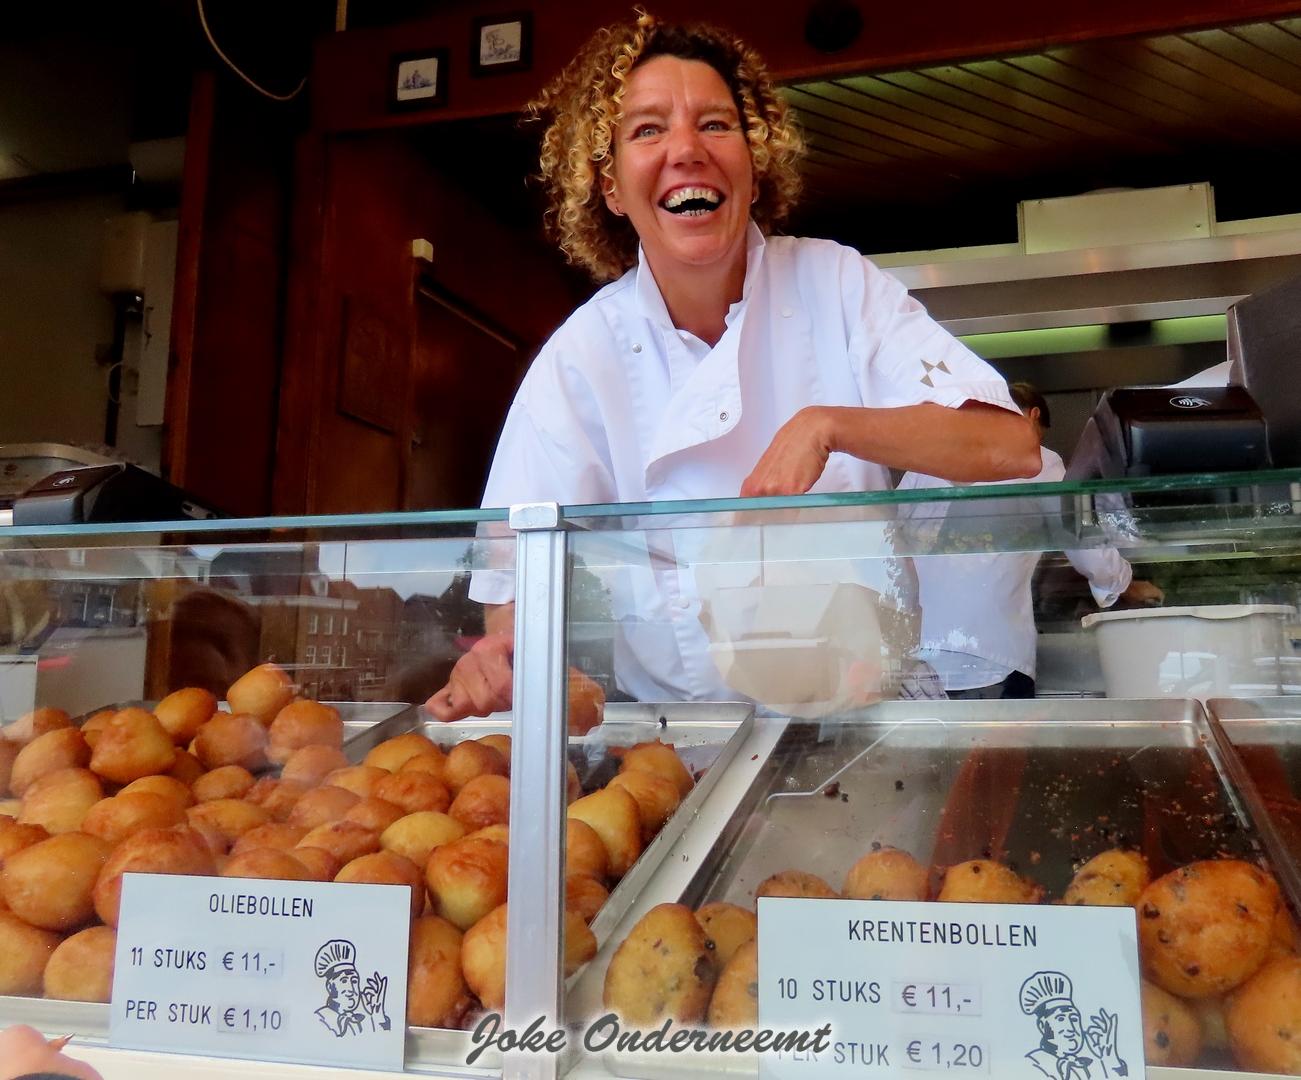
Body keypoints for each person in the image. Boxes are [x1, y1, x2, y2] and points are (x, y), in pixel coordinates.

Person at [427, 11, 1040, 720]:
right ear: (610, 188)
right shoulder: (582, 355)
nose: (686, 149)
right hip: (686, 742)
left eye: (715, 124)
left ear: (755, 168)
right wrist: (511, 664)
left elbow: (1011, 447)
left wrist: (828, 425)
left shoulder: (833, 283)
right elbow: (511, 582)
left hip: (867, 721)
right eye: (647, 129)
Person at [898, 382, 1164, 698]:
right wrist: (1124, 584)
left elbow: (893, 540)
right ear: (1032, 417)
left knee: (930, 747)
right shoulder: (1036, 460)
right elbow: (1081, 537)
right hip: (992, 651)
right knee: (998, 747)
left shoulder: (928, 459)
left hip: (919, 657)